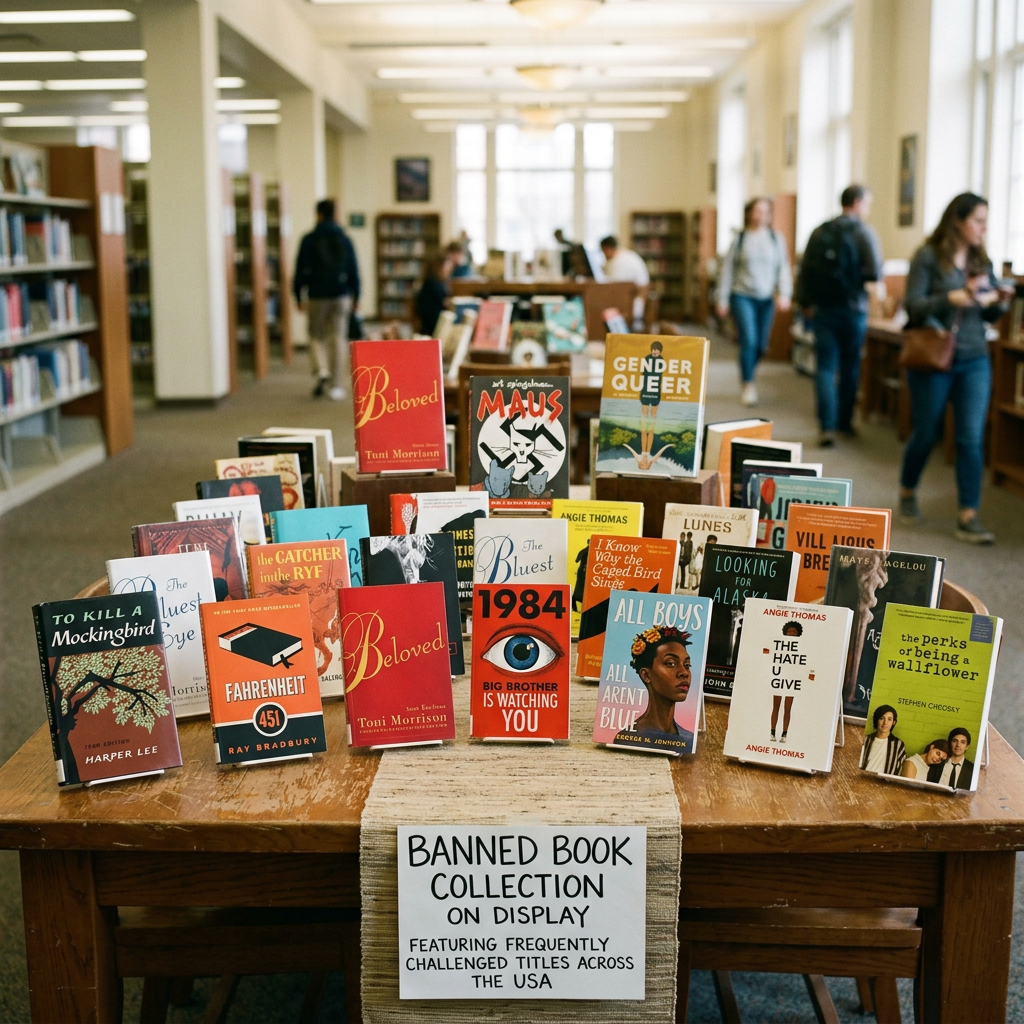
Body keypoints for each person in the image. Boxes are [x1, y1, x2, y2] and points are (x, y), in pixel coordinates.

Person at [897, 193, 1013, 544]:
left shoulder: (982, 260)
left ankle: (968, 514)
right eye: (978, 220)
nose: (983, 227)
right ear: (957, 221)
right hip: (934, 357)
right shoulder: (928, 257)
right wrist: (951, 297)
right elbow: (914, 307)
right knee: (926, 433)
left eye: (985, 220)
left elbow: (987, 313)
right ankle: (906, 489)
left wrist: (1000, 303)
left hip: (975, 357)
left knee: (970, 439)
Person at [798, 185, 883, 446]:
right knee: (850, 367)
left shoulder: (820, 231)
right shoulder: (864, 233)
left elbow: (805, 270)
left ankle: (826, 427)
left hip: (824, 309)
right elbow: (876, 272)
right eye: (867, 204)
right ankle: (845, 422)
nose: (867, 210)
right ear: (856, 203)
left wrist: (804, 303)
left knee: (824, 368)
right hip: (854, 309)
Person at [715, 197, 793, 407]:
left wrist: (785, 293)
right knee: (749, 340)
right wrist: (721, 299)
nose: (761, 215)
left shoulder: (776, 239)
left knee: (761, 345)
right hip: (742, 296)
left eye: (765, 211)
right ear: (749, 213)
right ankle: (747, 385)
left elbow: (783, 268)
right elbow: (727, 271)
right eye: (757, 211)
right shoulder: (740, 239)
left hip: (766, 298)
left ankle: (747, 366)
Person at [293, 198, 360, 400]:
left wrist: (298, 294)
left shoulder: (309, 239)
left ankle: (321, 370)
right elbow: (353, 270)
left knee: (315, 334)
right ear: (335, 215)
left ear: (319, 215)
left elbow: (300, 269)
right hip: (341, 294)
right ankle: (336, 385)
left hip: (316, 294)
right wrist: (357, 295)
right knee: (338, 336)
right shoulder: (345, 238)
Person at [613, 625, 695, 754]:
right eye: (671, 663)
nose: (684, 672)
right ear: (646, 675)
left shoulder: (689, 740)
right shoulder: (628, 738)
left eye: (687, 665)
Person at [600, 235, 650, 329]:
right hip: (635, 298)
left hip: (634, 302)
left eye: (603, 251)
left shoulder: (619, 262)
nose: (603, 255)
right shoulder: (625, 255)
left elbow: (614, 287)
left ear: (608, 248)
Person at [859, 704, 906, 775]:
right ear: (876, 720)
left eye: (889, 719)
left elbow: (899, 770)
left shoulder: (898, 744)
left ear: (894, 722)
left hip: (884, 782)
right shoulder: (866, 740)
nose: (885, 723)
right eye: (882, 718)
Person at [414, 254, 450, 336]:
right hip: (433, 325)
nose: (448, 271)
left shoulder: (431, 281)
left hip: (430, 322)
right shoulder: (433, 283)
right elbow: (442, 302)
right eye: (446, 268)